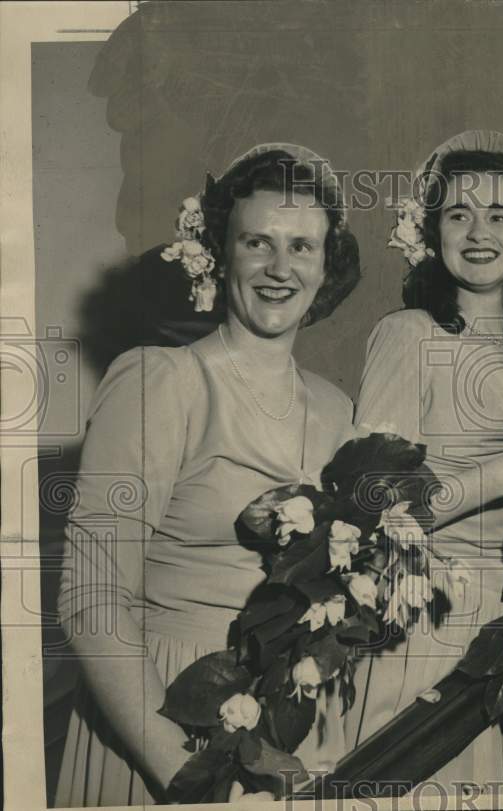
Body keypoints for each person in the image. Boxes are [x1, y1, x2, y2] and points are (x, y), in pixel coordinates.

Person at [54, 145, 362, 806]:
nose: (281, 268)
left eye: (302, 247)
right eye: (258, 242)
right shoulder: (159, 382)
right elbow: (90, 599)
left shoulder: (339, 410)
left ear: (326, 263)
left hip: (288, 729)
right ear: (220, 253)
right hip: (161, 722)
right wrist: (191, 779)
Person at [345, 130, 503, 789]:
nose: (479, 231)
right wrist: (500, 478)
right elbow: (372, 508)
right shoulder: (408, 334)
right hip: (431, 617)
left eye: (499, 215)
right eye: (458, 214)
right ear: (432, 232)